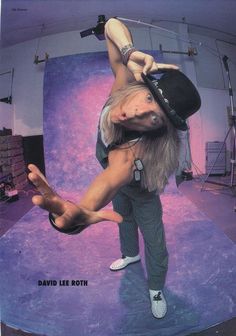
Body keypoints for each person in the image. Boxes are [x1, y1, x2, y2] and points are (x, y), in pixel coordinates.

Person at [28, 18, 201, 319]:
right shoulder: (124, 85)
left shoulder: (135, 147)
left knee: (154, 238)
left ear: (157, 130)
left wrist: (79, 211)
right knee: (122, 219)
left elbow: (111, 179)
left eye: (155, 118)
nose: (138, 112)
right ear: (143, 86)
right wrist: (129, 50)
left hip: (142, 188)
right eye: (148, 98)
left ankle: (156, 288)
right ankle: (130, 255)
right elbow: (111, 25)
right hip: (124, 183)